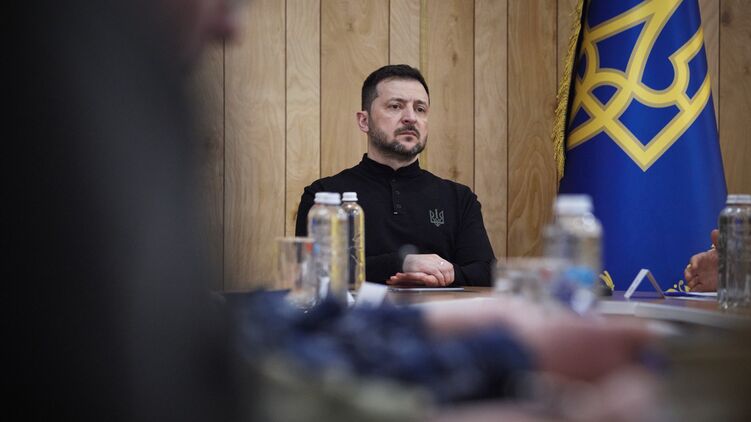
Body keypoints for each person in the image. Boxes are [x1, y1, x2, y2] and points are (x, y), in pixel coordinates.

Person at [295, 64, 495, 287]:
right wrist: (401, 262)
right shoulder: (324, 195)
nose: (410, 117)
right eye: (395, 106)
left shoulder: (459, 198)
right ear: (364, 121)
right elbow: (314, 272)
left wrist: (441, 275)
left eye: (420, 109)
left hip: (439, 309)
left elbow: (486, 272)